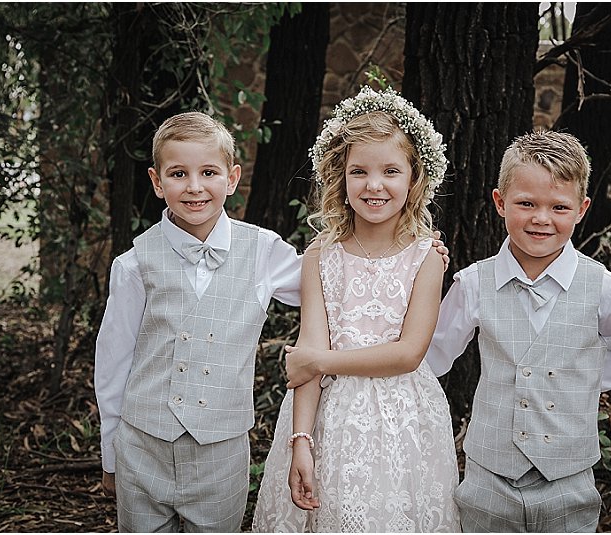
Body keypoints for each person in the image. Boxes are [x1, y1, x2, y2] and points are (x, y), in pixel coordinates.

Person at [94, 111, 450, 532]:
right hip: (143, 447)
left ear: (232, 178)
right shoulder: (133, 265)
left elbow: (338, 287)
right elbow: (113, 365)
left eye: (208, 171)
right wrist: (110, 453)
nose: (194, 187)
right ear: (156, 181)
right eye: (178, 174)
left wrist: (411, 260)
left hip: (222, 449)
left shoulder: (263, 252)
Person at [251, 86, 461, 532]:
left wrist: (321, 362)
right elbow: (308, 352)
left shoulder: (426, 256)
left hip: (404, 421)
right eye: (358, 171)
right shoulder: (319, 257)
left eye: (390, 170)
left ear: (414, 178)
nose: (374, 185)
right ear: (340, 180)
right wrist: (301, 439)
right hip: (329, 420)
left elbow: (408, 353)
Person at [425, 130, 611, 532]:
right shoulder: (474, 284)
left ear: (581, 209)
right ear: (500, 202)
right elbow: (434, 356)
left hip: (569, 477)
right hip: (488, 475)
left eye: (559, 207)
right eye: (525, 203)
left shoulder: (601, 288)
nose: (541, 218)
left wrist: (586, 382)